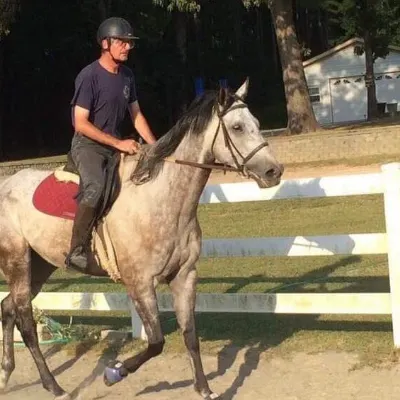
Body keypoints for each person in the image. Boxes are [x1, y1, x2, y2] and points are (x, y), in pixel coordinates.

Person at [65, 17, 157, 273]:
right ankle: (77, 250)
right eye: (122, 42)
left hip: (116, 146)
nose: (127, 47)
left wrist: (156, 147)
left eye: (129, 43)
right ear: (105, 43)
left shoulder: (127, 76)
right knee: (94, 187)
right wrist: (119, 142)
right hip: (88, 146)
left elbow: (136, 116)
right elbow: (80, 123)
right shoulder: (89, 76)